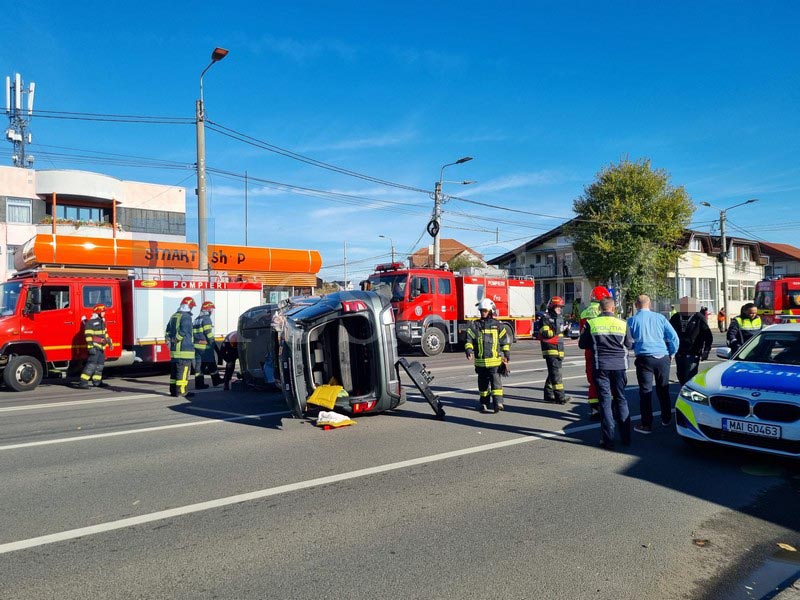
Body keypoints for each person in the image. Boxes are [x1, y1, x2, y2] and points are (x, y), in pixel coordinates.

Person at [578, 297, 633, 450]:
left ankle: (608, 440)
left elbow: (582, 344)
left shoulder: (592, 323)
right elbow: (629, 344)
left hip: (601, 366)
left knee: (605, 402)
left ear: (600, 309)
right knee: (621, 399)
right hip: (620, 366)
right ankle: (626, 438)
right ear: (613, 308)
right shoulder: (623, 323)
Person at [627, 294, 680, 434]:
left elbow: (629, 342)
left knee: (645, 391)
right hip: (662, 357)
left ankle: (646, 424)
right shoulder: (660, 318)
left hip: (644, 357)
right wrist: (672, 353)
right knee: (663, 389)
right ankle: (666, 418)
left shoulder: (631, 320)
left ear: (636, 305)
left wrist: (635, 347)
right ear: (650, 304)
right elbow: (674, 337)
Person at [465, 298, 510, 413]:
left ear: (490, 311)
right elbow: (469, 339)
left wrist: (506, 354)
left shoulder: (497, 325)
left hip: (494, 361)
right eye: (481, 311)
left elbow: (504, 341)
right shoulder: (475, 325)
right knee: (483, 386)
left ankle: (498, 403)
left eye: (485, 311)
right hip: (480, 362)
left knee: (496, 384)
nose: (483, 313)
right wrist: (469, 350)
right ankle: (484, 403)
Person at [580, 286, 611, 420]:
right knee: (607, 379)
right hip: (605, 349)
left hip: (589, 350)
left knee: (592, 379)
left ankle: (594, 410)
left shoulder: (584, 313)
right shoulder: (605, 310)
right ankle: (609, 409)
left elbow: (582, 335)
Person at [670, 297, 714, 386]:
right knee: (681, 374)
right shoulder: (675, 317)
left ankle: (689, 390)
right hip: (679, 351)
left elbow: (708, 336)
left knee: (690, 375)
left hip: (693, 351)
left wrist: (706, 350)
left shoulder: (699, 318)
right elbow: (669, 333)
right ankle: (683, 387)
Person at [539, 296, 571, 404]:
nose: (560, 309)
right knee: (556, 374)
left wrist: (566, 330)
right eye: (558, 307)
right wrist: (558, 330)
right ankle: (560, 397)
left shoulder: (559, 318)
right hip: (550, 350)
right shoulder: (545, 318)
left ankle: (548, 395)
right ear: (552, 307)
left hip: (559, 350)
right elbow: (545, 333)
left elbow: (561, 334)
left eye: (561, 307)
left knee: (552, 374)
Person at [165, 296, 197, 398]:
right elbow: (183, 331)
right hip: (184, 350)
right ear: (188, 306)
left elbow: (167, 331)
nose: (192, 308)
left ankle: (173, 391)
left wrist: (170, 341)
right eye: (192, 306)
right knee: (183, 373)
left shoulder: (174, 316)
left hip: (174, 351)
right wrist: (176, 340)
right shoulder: (186, 317)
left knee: (174, 373)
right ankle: (182, 391)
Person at [76, 303, 112, 389]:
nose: (104, 313)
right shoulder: (90, 323)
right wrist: (91, 347)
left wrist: (109, 341)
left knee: (100, 366)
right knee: (91, 365)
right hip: (95, 347)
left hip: (101, 348)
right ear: (98, 312)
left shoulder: (102, 322)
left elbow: (105, 333)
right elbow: (88, 336)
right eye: (103, 312)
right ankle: (83, 382)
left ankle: (97, 381)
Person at [193, 301, 221, 389]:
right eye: (211, 309)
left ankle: (199, 384)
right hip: (205, 346)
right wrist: (211, 341)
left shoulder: (196, 319)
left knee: (199, 366)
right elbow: (208, 332)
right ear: (208, 309)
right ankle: (216, 381)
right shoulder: (206, 319)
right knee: (211, 363)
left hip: (197, 346)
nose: (212, 311)